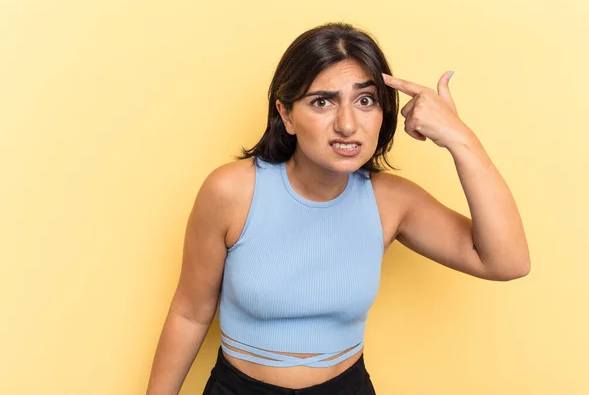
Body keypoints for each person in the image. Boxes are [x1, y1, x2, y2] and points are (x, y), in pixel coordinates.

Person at [146, 22, 530, 395]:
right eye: (323, 101)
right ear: (286, 114)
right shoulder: (231, 191)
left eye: (365, 100)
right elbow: (190, 313)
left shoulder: (391, 201)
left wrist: (460, 139)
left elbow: (507, 262)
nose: (347, 124)